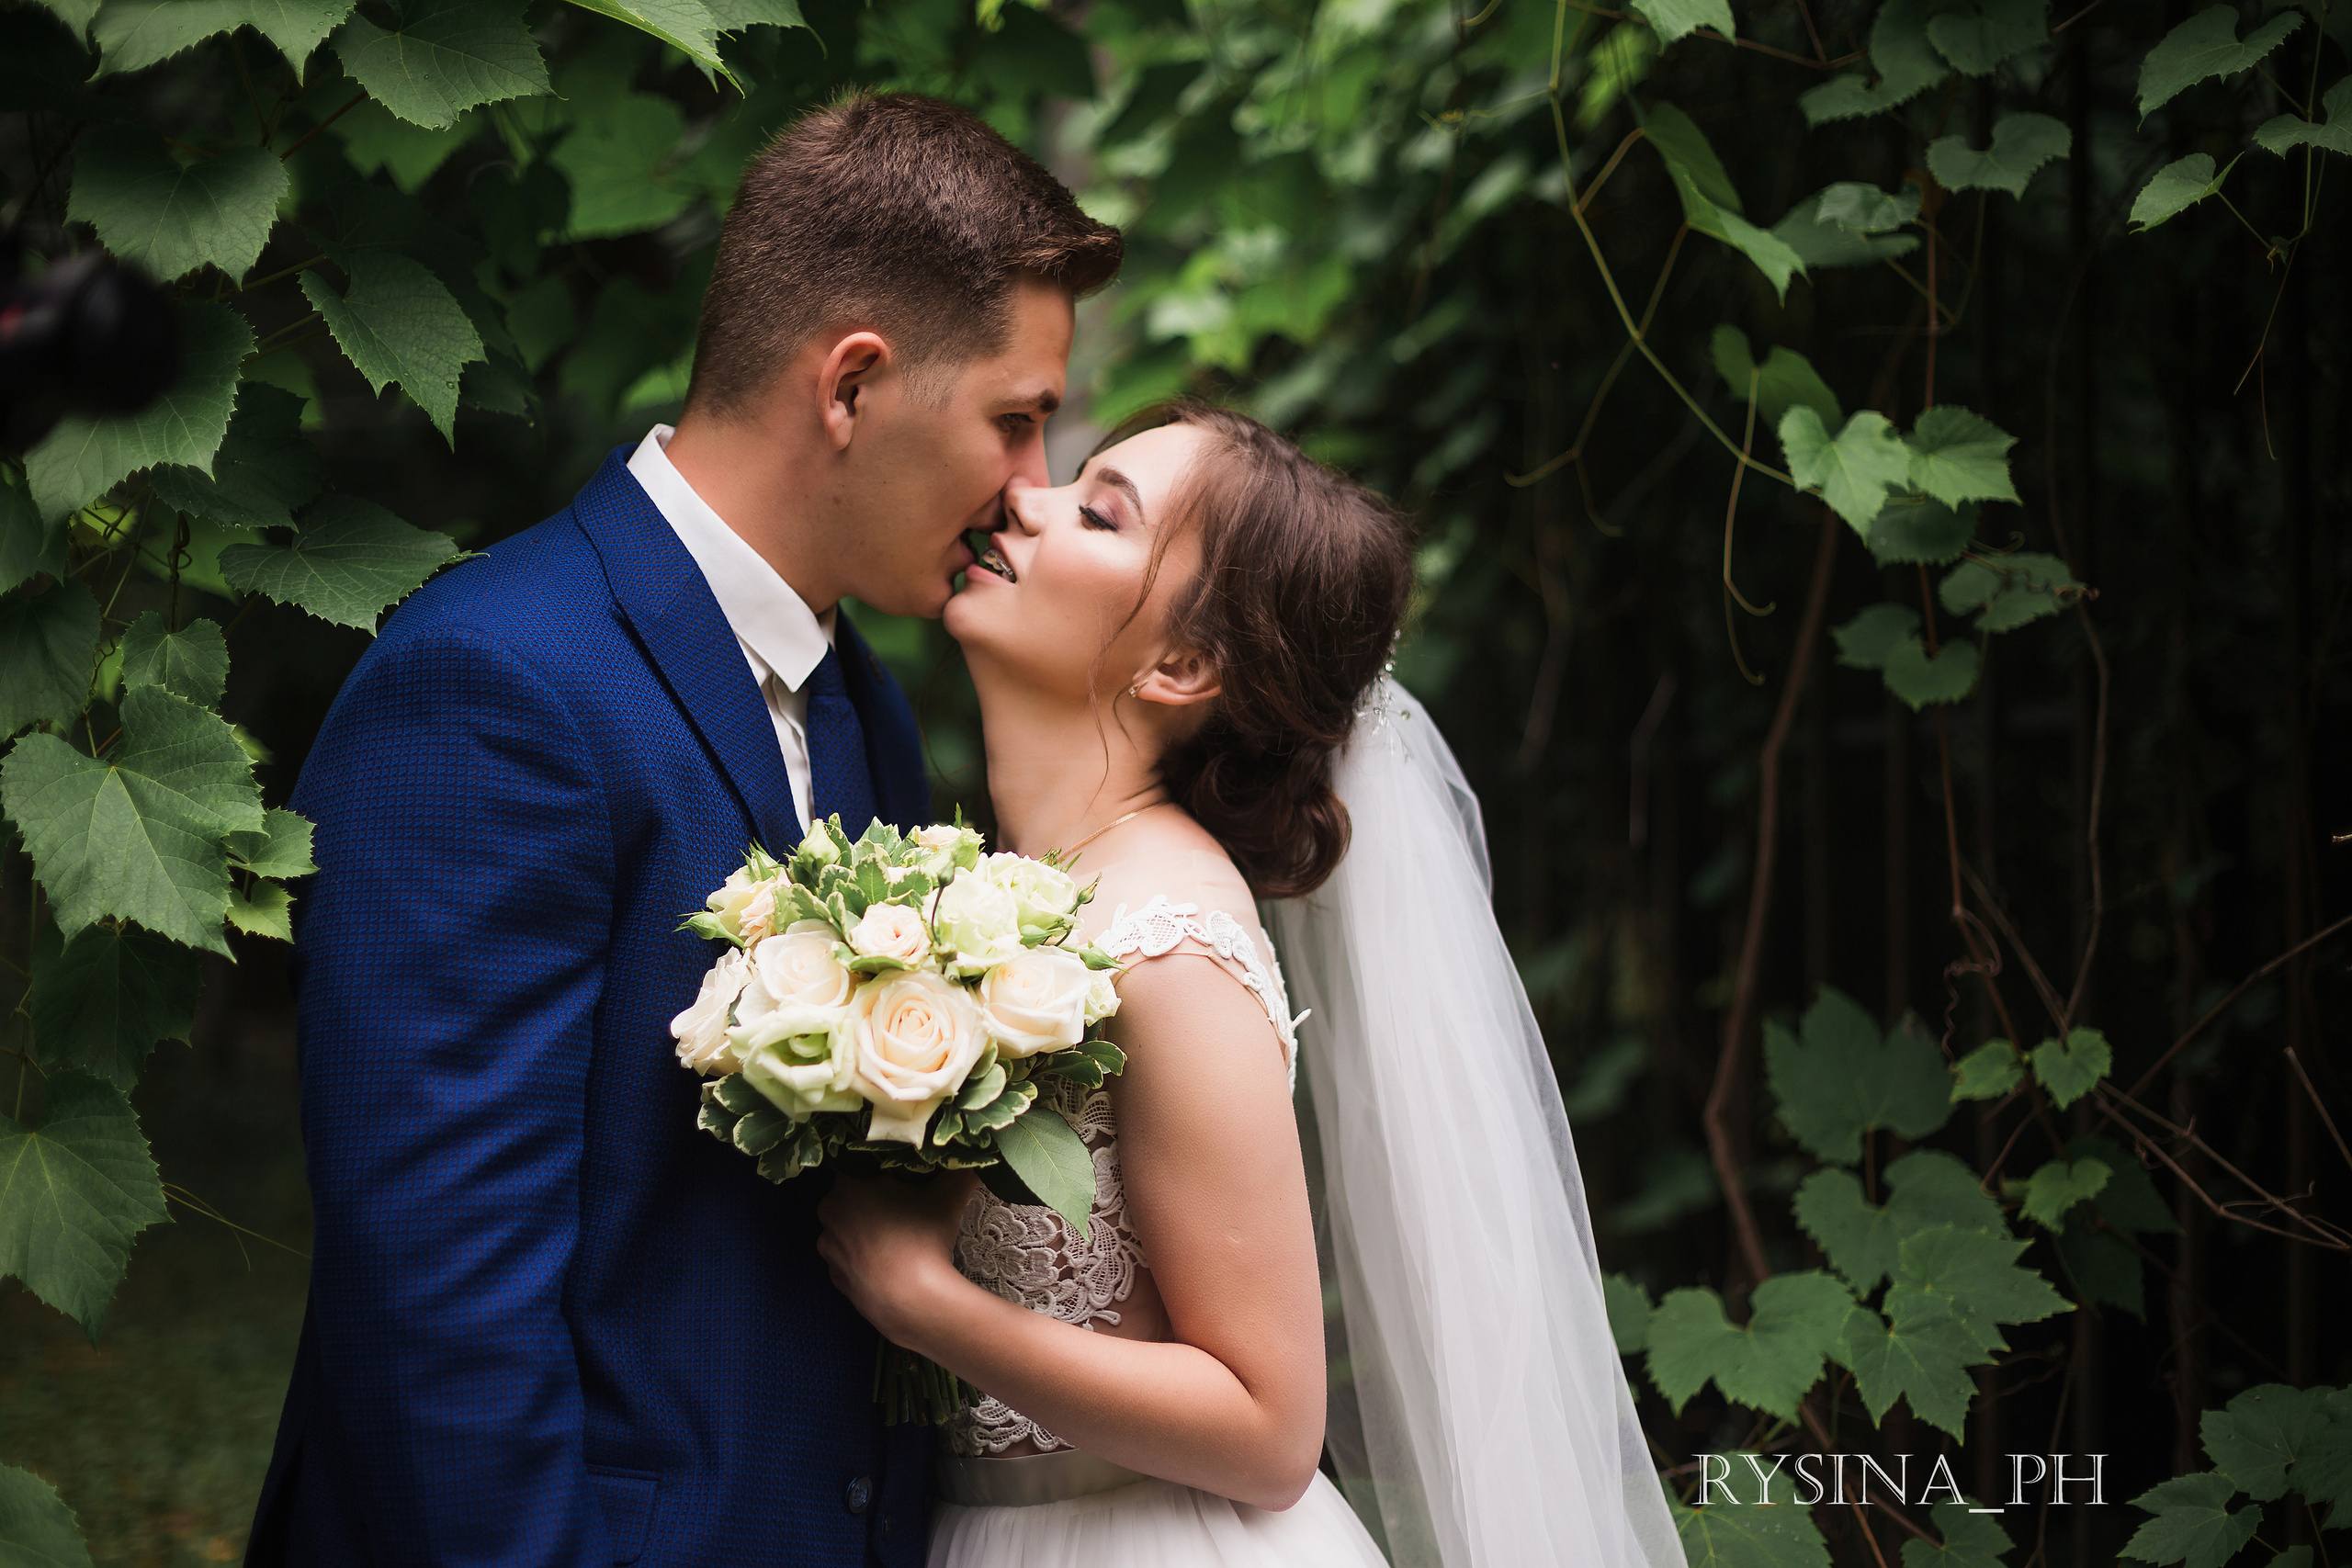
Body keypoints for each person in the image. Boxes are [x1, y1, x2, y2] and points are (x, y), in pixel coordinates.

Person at [244, 94, 1121, 1566]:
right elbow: (440, 1319)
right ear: (851, 385)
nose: (1027, 491)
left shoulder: (867, 705)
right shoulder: (492, 687)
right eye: (1014, 420)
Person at [814, 404, 1690, 1567]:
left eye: (1099, 511)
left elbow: (1272, 1429)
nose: (1023, 498)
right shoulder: (1002, 891)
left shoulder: (1167, 939)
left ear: (1181, 665)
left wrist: (919, 1300)